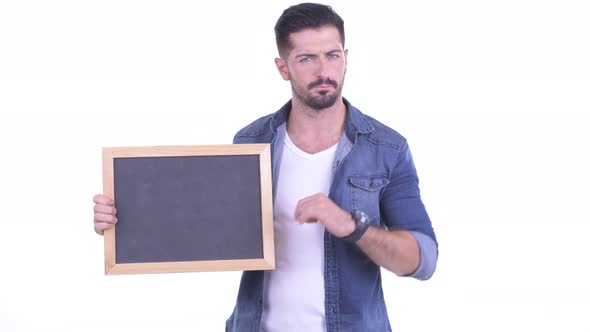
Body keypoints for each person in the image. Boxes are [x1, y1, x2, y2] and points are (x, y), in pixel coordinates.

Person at [93, 3, 438, 331]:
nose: (323, 71)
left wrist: (351, 226)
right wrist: (125, 220)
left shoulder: (386, 149)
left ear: (345, 59)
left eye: (332, 56)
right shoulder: (251, 143)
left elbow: (422, 260)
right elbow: (201, 226)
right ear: (282, 67)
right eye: (307, 59)